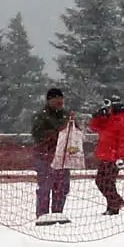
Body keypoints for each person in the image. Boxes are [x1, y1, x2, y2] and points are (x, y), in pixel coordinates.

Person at [29, 87, 76, 224]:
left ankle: (58, 214)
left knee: (62, 187)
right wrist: (59, 134)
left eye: (61, 100)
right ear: (49, 100)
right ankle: (43, 216)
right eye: (57, 100)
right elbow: (38, 135)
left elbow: (74, 131)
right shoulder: (40, 116)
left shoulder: (67, 115)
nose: (60, 103)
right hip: (45, 156)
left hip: (62, 158)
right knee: (45, 187)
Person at [89, 94, 124, 215]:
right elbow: (94, 127)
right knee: (103, 182)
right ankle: (114, 204)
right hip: (105, 155)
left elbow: (123, 139)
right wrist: (98, 116)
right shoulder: (108, 118)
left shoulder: (120, 120)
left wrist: (120, 156)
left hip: (113, 157)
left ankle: (114, 204)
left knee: (107, 182)